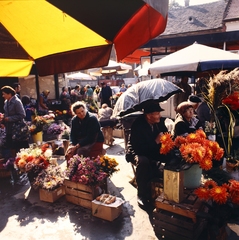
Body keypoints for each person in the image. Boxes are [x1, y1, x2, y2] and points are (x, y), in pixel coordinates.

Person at [126, 103, 168, 209]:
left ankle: (170, 186)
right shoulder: (138, 125)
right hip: (137, 152)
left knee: (172, 154)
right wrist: (156, 141)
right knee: (143, 161)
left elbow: (166, 135)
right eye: (157, 113)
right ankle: (142, 194)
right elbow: (140, 149)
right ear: (149, 115)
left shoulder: (159, 122)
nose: (160, 115)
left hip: (152, 149)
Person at [1, 86, 29, 157]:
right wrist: (3, 117)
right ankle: (13, 161)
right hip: (9, 128)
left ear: (9, 94)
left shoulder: (17, 102)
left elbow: (22, 114)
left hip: (18, 129)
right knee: (11, 145)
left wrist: (9, 118)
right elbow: (7, 113)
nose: (3, 96)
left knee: (19, 146)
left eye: (4, 94)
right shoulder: (6, 102)